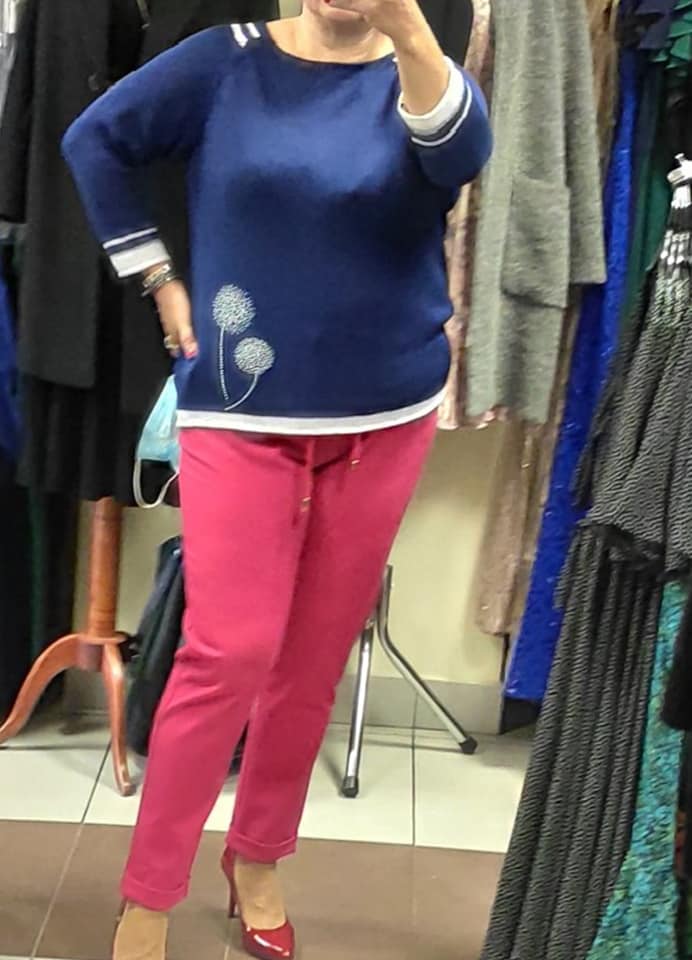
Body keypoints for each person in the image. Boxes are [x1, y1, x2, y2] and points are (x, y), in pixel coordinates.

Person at [62, 1, 491, 957]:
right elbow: (94, 140)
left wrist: (412, 34)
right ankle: (149, 892)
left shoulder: (418, 75)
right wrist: (158, 277)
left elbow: (460, 159)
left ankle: (257, 855)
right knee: (228, 652)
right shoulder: (222, 64)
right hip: (239, 406)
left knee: (313, 659)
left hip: (385, 412)